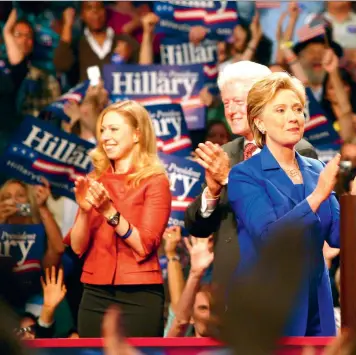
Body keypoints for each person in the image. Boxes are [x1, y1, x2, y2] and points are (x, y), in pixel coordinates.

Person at [228, 72, 356, 336]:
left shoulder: (316, 169)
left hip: (316, 301)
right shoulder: (244, 175)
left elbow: (338, 237)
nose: (293, 117)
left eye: (298, 109)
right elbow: (269, 237)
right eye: (281, 110)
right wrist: (318, 196)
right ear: (259, 122)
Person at [184, 61, 317, 318]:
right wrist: (211, 192)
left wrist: (229, 180)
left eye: (238, 101)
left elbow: (289, 218)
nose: (231, 111)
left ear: (260, 102)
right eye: (226, 103)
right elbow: (197, 226)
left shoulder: (297, 150)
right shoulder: (225, 153)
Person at [64, 100, 171, 337]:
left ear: (136, 134)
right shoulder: (94, 179)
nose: (105, 137)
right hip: (94, 294)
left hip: (139, 295)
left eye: (113, 129)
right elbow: (78, 247)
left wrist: (109, 212)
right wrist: (83, 210)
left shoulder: (155, 181)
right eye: (102, 130)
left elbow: (144, 246)